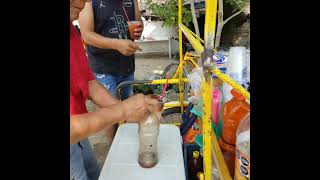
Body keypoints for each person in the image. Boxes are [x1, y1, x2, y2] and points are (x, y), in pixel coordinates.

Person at [70, 0, 159, 179]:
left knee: (95, 173)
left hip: (79, 137)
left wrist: (124, 110)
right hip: (75, 132)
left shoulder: (71, 30)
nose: (87, 2)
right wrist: (122, 109)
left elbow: (88, 81)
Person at [78, 0, 144, 144]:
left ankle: (130, 143)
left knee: (130, 108)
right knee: (112, 113)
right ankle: (112, 146)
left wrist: (139, 29)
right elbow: (87, 35)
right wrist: (116, 44)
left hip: (127, 66)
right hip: (104, 69)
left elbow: (138, 23)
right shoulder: (89, 2)